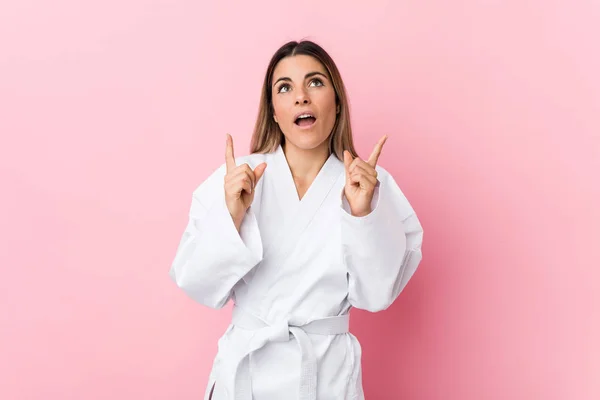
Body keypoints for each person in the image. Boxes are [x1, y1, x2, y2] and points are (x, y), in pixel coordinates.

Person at [169, 39, 424, 400]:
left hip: (325, 378)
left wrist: (363, 214)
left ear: (336, 102)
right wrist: (231, 215)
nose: (301, 97)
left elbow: (377, 295)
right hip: (246, 377)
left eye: (315, 82)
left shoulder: (366, 186)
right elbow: (197, 282)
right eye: (284, 88)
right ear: (273, 110)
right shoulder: (235, 182)